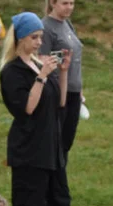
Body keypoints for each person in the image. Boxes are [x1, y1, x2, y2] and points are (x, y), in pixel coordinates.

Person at [0, 11, 72, 206]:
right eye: (34, 37)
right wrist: (42, 76)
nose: (39, 42)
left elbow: (61, 102)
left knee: (59, 205)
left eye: (41, 37)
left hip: (51, 149)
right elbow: (27, 108)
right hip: (29, 150)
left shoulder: (37, 64)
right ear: (19, 38)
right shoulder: (13, 72)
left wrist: (61, 72)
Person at [40, 0, 84, 158]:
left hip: (74, 91)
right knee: (56, 144)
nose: (69, 7)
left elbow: (75, 59)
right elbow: (43, 60)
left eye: (72, 3)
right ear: (53, 3)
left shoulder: (68, 24)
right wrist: (61, 60)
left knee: (66, 142)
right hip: (58, 92)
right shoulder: (45, 27)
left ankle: (59, 178)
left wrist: (80, 90)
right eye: (65, 3)